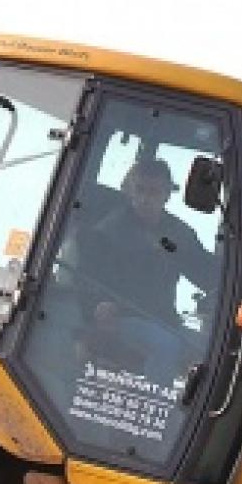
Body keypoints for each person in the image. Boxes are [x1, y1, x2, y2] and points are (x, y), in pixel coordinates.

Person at [72, 157, 218, 385]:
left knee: (212, 351)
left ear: (168, 194)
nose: (144, 198)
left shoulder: (179, 234)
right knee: (165, 344)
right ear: (129, 190)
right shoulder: (107, 232)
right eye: (139, 190)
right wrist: (97, 305)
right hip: (121, 317)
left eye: (154, 192)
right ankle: (155, 401)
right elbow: (85, 276)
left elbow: (204, 271)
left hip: (165, 320)